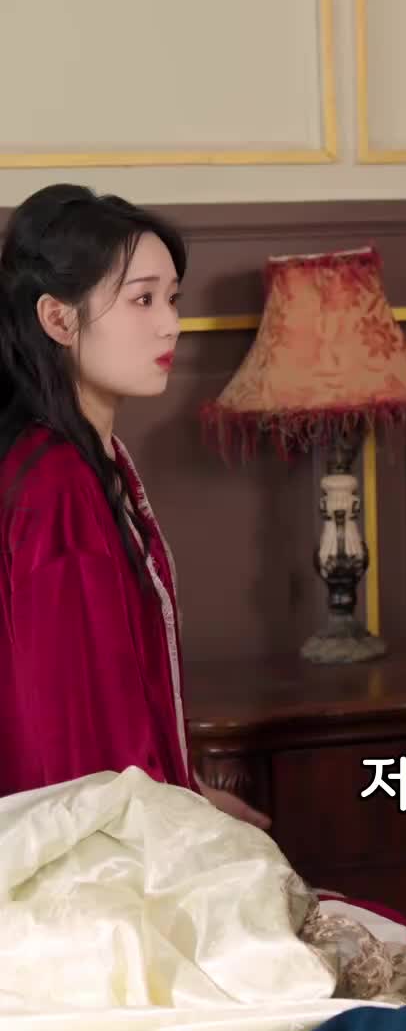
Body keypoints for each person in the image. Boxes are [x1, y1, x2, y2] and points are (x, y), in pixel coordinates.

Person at [0, 182, 267, 827]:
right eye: (142, 299)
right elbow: (69, 742)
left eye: (172, 299)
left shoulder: (93, 459)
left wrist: (192, 793)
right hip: (91, 842)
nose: (171, 323)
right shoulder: (55, 485)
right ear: (58, 319)